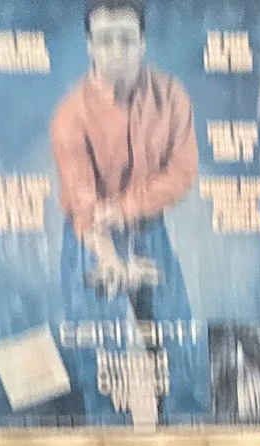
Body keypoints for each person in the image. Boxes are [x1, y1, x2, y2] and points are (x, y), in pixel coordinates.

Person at [52, 4, 204, 424]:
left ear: (143, 43)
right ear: (90, 48)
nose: (116, 50)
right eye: (105, 40)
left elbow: (182, 170)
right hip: (90, 239)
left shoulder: (172, 95)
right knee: (102, 363)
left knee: (176, 345)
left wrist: (126, 208)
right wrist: (109, 259)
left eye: (126, 39)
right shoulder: (70, 114)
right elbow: (83, 205)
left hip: (148, 227)